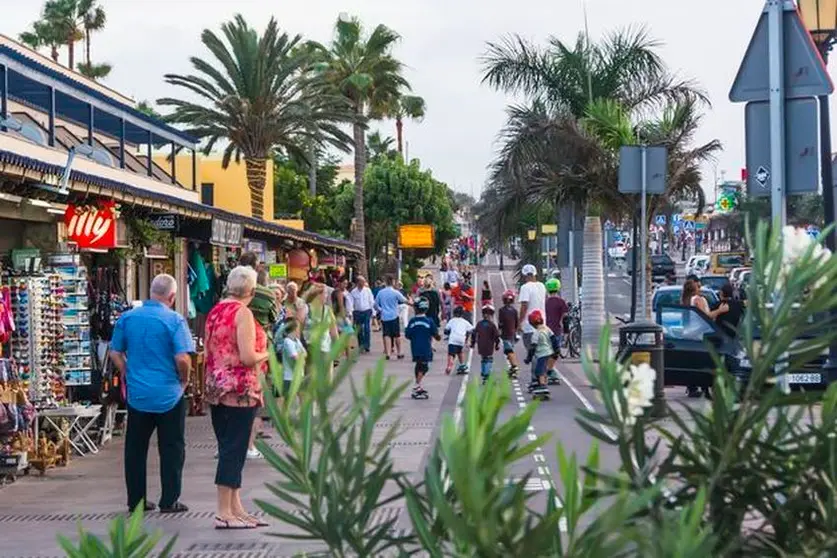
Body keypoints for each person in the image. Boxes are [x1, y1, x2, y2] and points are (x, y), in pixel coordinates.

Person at [110, 274, 194, 514]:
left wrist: (127, 371)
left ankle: (136, 500)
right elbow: (182, 357)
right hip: (170, 394)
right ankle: (169, 500)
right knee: (172, 448)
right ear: (172, 296)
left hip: (138, 395)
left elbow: (115, 352)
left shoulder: (128, 318)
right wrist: (185, 378)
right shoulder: (175, 320)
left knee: (135, 449)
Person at [204, 266, 270, 529]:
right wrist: (267, 353)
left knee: (229, 447)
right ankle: (223, 511)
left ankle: (236, 507)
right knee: (234, 450)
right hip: (240, 390)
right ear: (252, 291)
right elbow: (247, 357)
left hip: (217, 388)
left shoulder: (215, 311)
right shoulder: (242, 313)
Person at [239, 252, 278, 459]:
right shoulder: (266, 294)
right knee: (254, 399)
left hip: (232, 349)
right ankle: (249, 445)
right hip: (258, 349)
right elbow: (274, 318)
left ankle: (229, 444)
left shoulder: (230, 292)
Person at [682, 279, 728, 399]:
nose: (700, 288)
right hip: (701, 334)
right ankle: (705, 388)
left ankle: (692, 387)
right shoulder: (698, 299)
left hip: (691, 334)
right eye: (698, 286)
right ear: (695, 289)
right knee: (705, 362)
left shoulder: (686, 301)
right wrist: (720, 311)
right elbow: (706, 317)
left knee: (694, 363)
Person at [404, 298, 441, 398]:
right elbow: (436, 334)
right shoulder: (429, 321)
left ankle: (418, 385)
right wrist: (438, 337)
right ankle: (417, 385)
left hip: (415, 347)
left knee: (418, 365)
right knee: (424, 366)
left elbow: (407, 335)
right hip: (426, 348)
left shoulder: (412, 321)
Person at [306, 283, 339, 379]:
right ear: (317, 295)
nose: (326, 296)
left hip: (325, 349)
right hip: (309, 349)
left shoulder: (328, 310)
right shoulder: (305, 309)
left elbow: (334, 331)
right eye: (325, 293)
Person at [375, 276, 408, 360]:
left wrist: (381, 310)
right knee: (397, 335)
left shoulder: (380, 292)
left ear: (385, 282)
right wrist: (414, 304)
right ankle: (399, 352)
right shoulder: (395, 292)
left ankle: (388, 353)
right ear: (393, 282)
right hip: (394, 315)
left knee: (386, 335)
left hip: (384, 316)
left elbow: (375, 304)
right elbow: (404, 300)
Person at [544, 278, 569, 384]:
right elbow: (565, 317)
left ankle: (549, 370)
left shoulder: (545, 302)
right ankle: (549, 370)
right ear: (558, 288)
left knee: (547, 351)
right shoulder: (561, 302)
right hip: (556, 330)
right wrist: (565, 330)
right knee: (555, 352)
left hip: (545, 330)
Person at [518, 264, 547, 354]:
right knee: (540, 352)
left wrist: (519, 322)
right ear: (535, 274)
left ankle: (538, 368)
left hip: (529, 326)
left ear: (524, 275)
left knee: (532, 353)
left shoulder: (525, 287)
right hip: (542, 325)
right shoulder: (542, 286)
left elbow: (524, 306)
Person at [523, 310, 553, 395]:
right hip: (550, 353)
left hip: (541, 354)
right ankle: (543, 383)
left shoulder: (536, 333)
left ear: (532, 323)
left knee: (539, 370)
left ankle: (542, 385)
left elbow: (532, 347)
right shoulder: (547, 329)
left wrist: (528, 358)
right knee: (544, 369)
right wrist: (556, 349)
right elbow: (553, 338)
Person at [471, 304, 501, 384]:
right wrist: (497, 345)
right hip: (489, 345)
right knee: (489, 359)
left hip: (481, 345)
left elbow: (474, 334)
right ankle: (486, 375)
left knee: (483, 358)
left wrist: (472, 343)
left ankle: (484, 373)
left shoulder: (479, 324)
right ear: (491, 315)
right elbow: (497, 336)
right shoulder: (492, 325)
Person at [280, 318, 306, 400]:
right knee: (288, 398)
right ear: (295, 329)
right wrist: (301, 359)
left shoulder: (296, 341)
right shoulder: (287, 342)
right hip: (289, 377)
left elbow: (305, 353)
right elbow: (296, 357)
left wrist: (301, 357)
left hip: (299, 375)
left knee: (302, 395)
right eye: (298, 328)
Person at [498, 289, 520, 377]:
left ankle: (514, 366)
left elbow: (500, 323)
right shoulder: (514, 310)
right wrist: (516, 331)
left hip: (506, 334)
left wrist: (499, 332)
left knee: (508, 351)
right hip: (513, 333)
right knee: (510, 350)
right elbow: (517, 322)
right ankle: (512, 367)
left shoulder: (501, 310)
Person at [444, 306, 473, 375]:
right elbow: (472, 329)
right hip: (461, 339)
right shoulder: (465, 322)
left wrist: (449, 332)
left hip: (453, 339)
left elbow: (446, 330)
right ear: (462, 314)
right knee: (460, 352)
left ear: (454, 313)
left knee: (451, 354)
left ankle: (449, 366)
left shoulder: (452, 320)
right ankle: (462, 365)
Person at [350, 276, 375, 353]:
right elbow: (351, 303)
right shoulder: (353, 292)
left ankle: (367, 345)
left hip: (367, 311)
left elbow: (371, 301)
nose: (363, 283)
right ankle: (361, 345)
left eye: (364, 282)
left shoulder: (367, 290)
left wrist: (373, 312)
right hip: (357, 312)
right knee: (359, 329)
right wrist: (351, 312)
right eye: (362, 282)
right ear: (358, 283)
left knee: (367, 328)